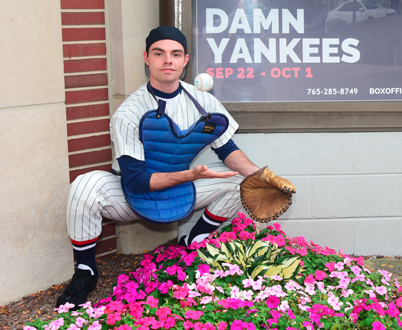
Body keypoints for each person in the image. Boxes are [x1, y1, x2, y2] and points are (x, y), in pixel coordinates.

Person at [58, 26, 262, 308]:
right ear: (147, 58)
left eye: (175, 54)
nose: (168, 60)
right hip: (130, 195)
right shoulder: (129, 112)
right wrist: (190, 175)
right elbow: (136, 182)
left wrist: (259, 176)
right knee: (85, 186)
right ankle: (85, 271)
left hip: (180, 188)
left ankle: (194, 240)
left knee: (242, 180)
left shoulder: (204, 101)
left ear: (185, 60)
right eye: (159, 53)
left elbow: (226, 149)